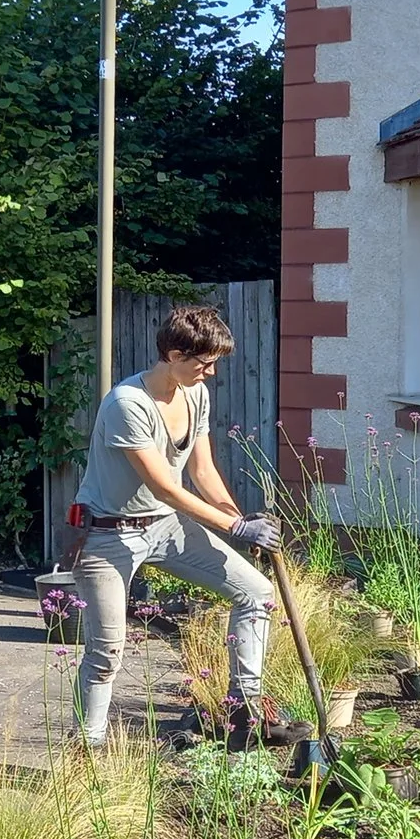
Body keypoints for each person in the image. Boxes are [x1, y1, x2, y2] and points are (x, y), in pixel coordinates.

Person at [67, 302, 282, 748]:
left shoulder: (195, 394)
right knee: (106, 652)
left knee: (257, 592)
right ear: (173, 355)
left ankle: (243, 714)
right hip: (108, 533)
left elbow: (202, 473)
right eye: (203, 364)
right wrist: (237, 530)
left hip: (166, 527)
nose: (210, 373)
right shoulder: (128, 403)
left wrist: (239, 518)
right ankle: (84, 753)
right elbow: (166, 487)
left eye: (214, 364)